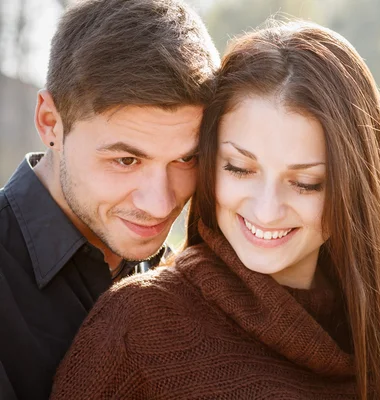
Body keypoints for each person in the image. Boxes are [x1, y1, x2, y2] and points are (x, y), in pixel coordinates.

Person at [51, 21, 380, 400]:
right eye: (240, 168)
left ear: (354, 191)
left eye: (306, 183)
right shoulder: (138, 328)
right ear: (211, 162)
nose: (267, 210)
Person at [0, 0, 219, 398]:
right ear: (51, 123)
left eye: (186, 158)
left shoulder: (188, 280)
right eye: (125, 159)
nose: (159, 203)